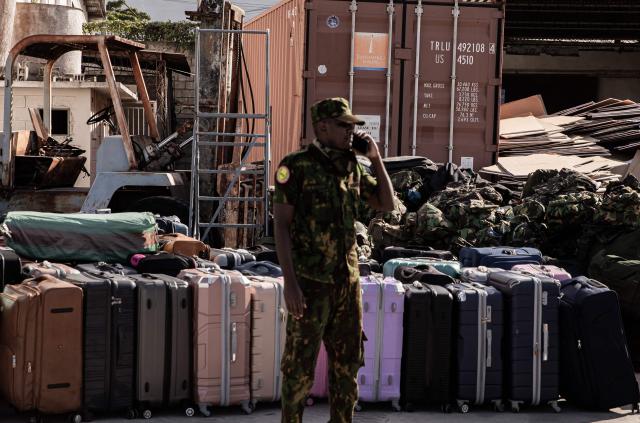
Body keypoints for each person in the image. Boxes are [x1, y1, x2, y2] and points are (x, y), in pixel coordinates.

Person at [274, 97, 394, 423]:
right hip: (310, 285)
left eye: (353, 126)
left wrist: (375, 158)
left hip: (346, 284)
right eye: (343, 125)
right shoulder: (295, 166)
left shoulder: (352, 167)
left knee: (348, 365)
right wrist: (290, 284)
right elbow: (281, 227)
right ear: (322, 126)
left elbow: (386, 203)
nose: (350, 131)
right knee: (299, 368)